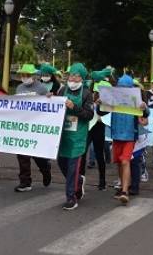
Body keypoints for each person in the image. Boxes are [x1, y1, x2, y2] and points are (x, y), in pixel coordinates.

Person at [57, 63, 94, 210]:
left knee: (73, 167)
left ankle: (71, 197)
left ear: (82, 78)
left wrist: (74, 108)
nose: (72, 77)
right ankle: (78, 181)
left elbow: (89, 115)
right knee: (61, 163)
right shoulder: (61, 90)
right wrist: (49, 99)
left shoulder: (86, 93)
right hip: (63, 136)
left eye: (76, 75)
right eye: (71, 74)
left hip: (78, 137)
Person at [110, 74, 148, 205]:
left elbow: (145, 113)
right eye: (121, 87)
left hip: (130, 135)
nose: (123, 90)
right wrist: (99, 105)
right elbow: (102, 111)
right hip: (116, 134)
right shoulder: (113, 98)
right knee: (119, 162)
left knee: (125, 161)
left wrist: (144, 108)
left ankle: (125, 191)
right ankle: (122, 187)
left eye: (126, 87)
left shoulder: (135, 99)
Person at [14, 64, 53, 192]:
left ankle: (45, 169)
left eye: (27, 75)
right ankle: (25, 181)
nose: (25, 77)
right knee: (22, 155)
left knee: (37, 154)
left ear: (34, 76)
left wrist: (49, 98)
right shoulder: (19, 88)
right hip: (22, 125)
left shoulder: (41, 88)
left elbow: (50, 104)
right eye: (23, 75)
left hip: (36, 126)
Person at [82, 71, 111, 190]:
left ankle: (102, 180)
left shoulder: (107, 97)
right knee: (82, 153)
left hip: (99, 127)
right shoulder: (88, 93)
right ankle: (80, 179)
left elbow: (104, 113)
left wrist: (99, 105)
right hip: (87, 127)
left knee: (99, 154)